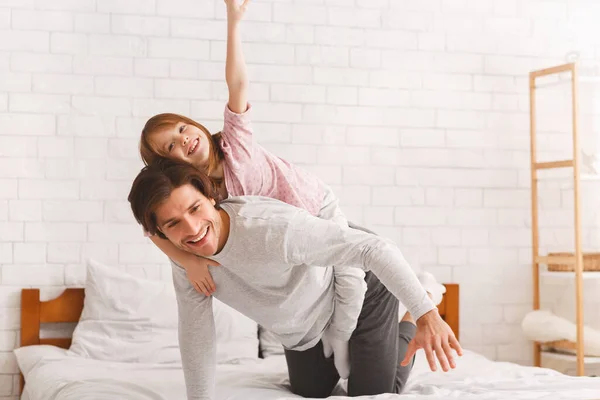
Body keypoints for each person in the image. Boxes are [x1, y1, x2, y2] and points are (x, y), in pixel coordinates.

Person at [138, 0, 367, 378]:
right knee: (326, 282)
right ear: (169, 165)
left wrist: (233, 22)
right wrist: (189, 260)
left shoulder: (234, 143)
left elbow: (237, 83)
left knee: (352, 276)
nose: (184, 141)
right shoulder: (201, 197)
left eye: (181, 129)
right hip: (294, 231)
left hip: (316, 207)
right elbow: (152, 228)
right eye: (171, 148)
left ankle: (350, 333)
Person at [127, 160, 463, 400]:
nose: (192, 229)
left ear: (210, 196)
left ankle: (415, 308)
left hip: (361, 288)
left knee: (372, 394)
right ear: (159, 234)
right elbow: (196, 334)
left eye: (195, 208)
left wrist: (425, 314)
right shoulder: (187, 261)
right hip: (305, 322)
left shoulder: (273, 229)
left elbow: (375, 248)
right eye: (172, 224)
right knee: (310, 391)